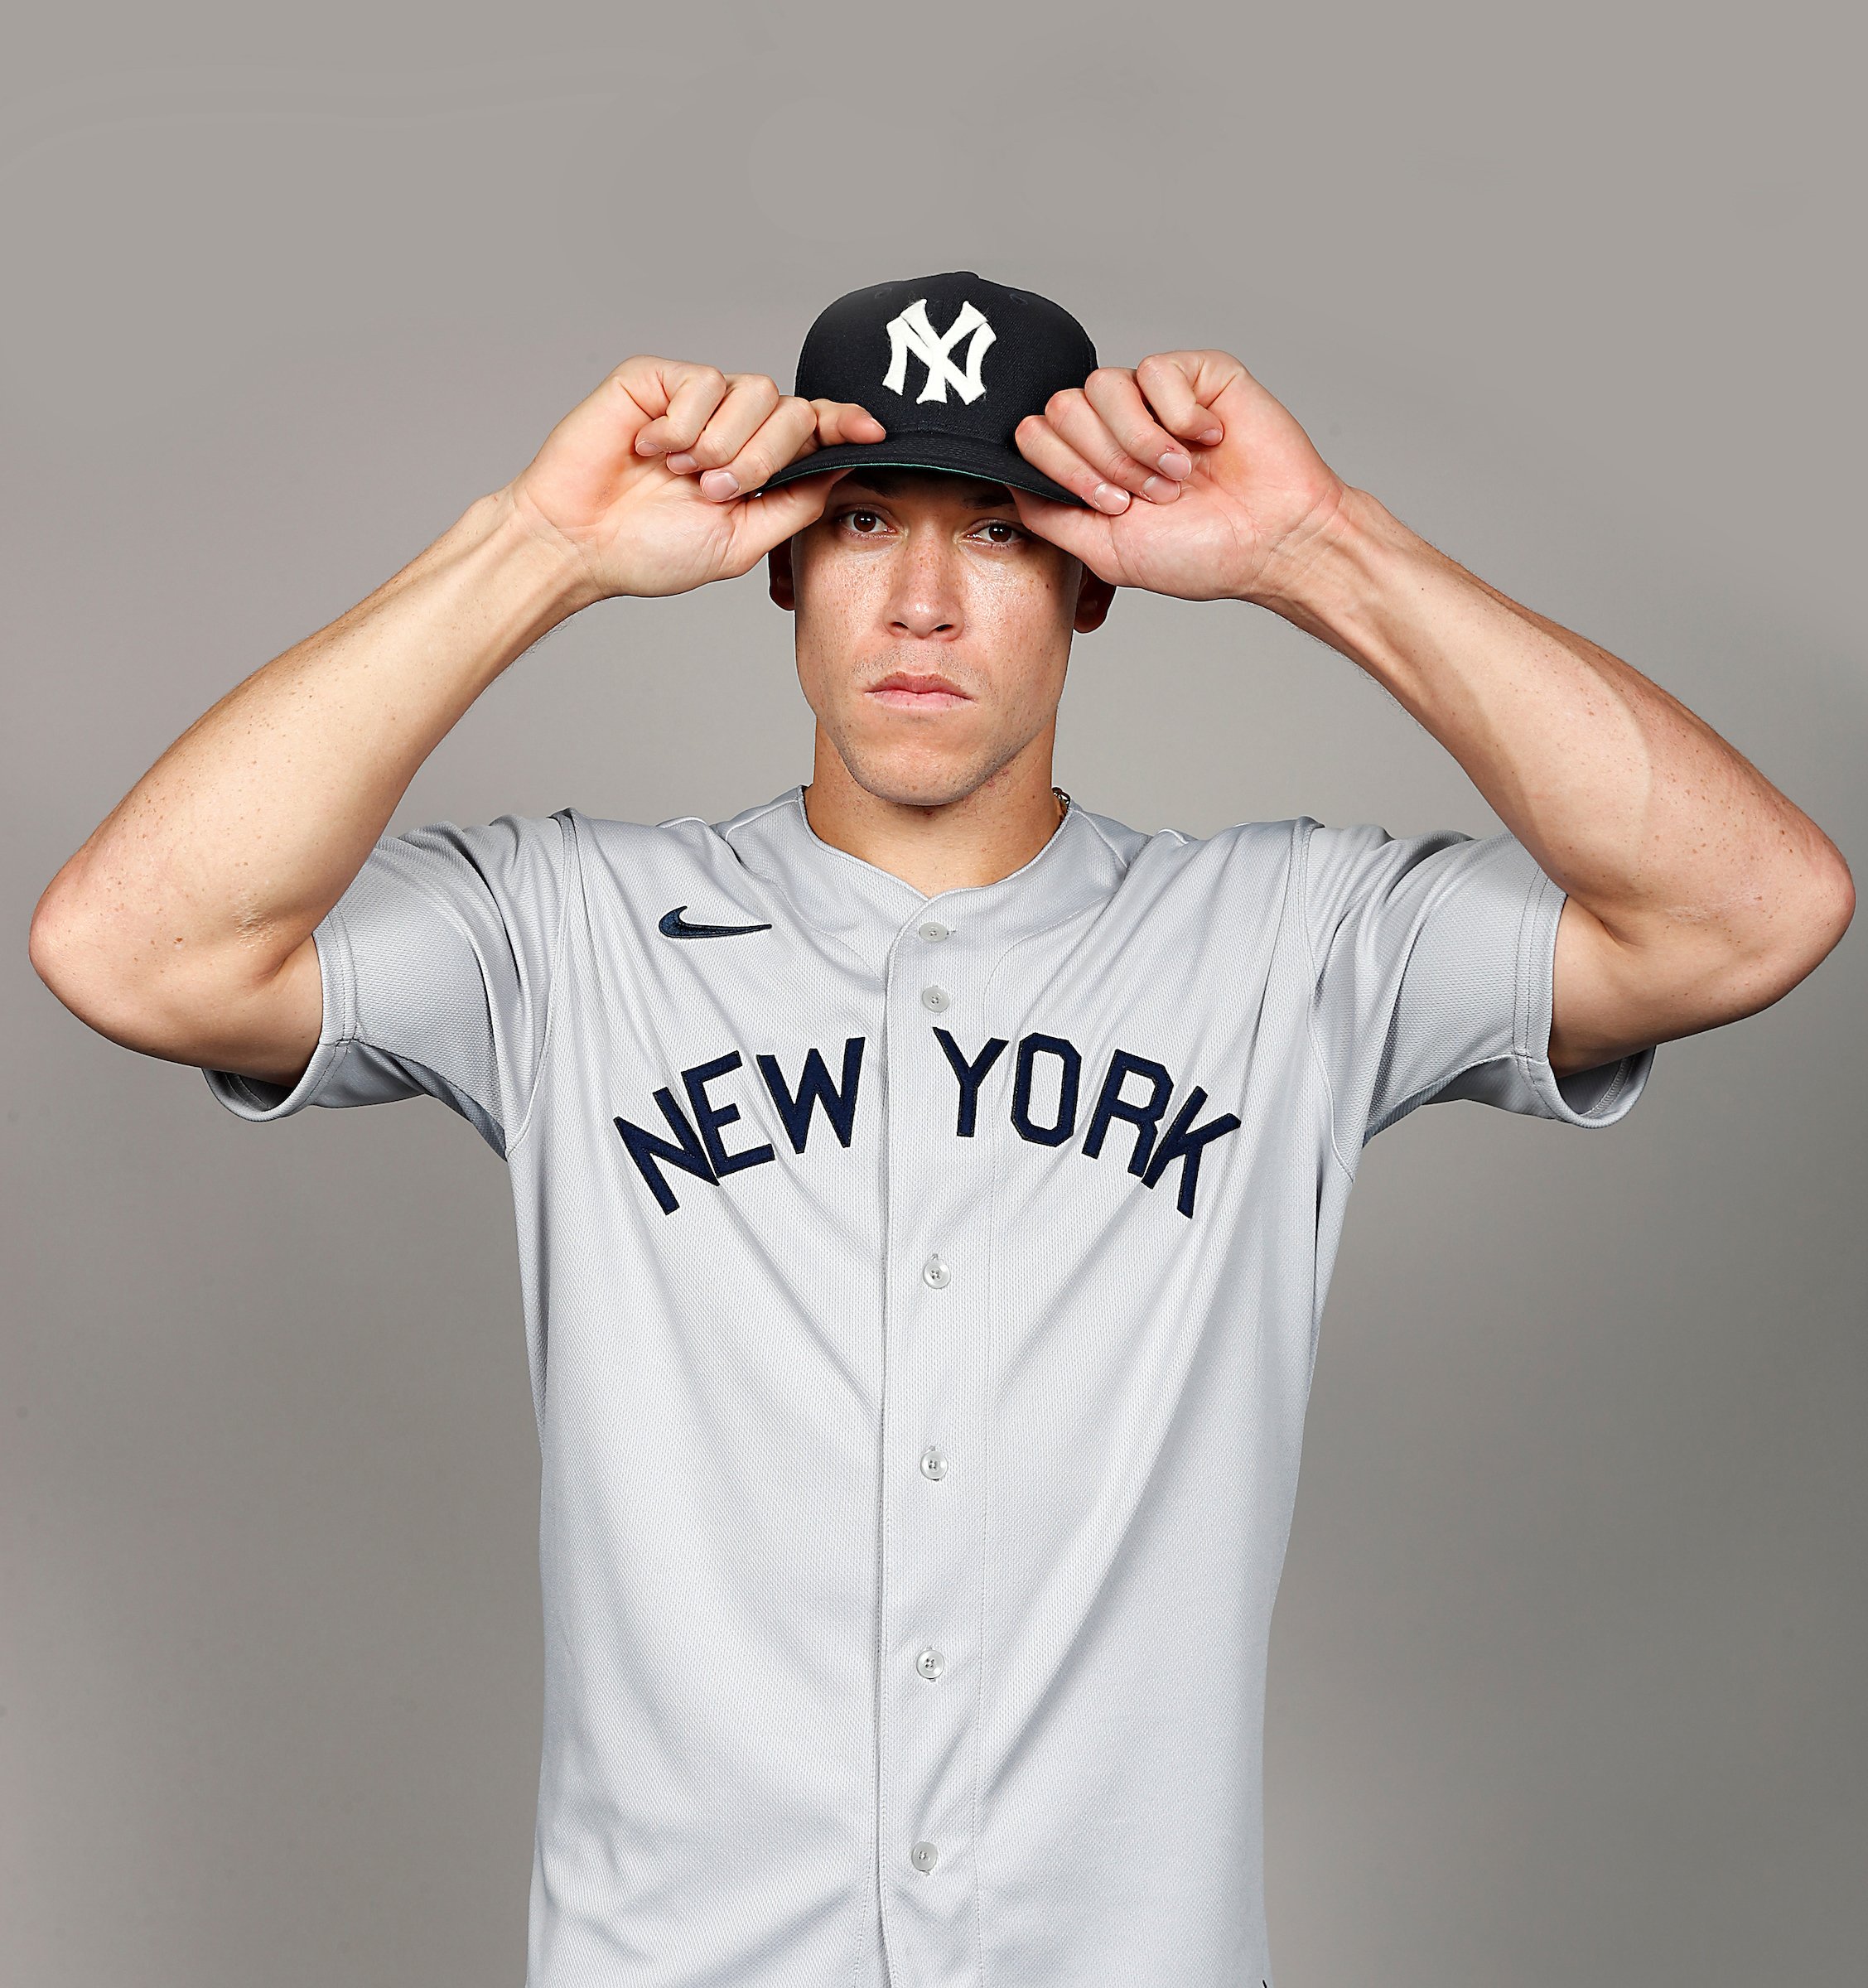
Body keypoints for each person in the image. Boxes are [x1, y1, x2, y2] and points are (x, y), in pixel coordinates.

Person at [27, 270, 1853, 1988]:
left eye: (999, 531)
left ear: (1094, 582)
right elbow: (130, 948)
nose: (922, 602)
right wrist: (538, 551)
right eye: (866, 522)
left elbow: (1749, 911)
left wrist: (1323, 551)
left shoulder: (1296, 942)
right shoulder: (559, 935)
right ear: (780, 569)